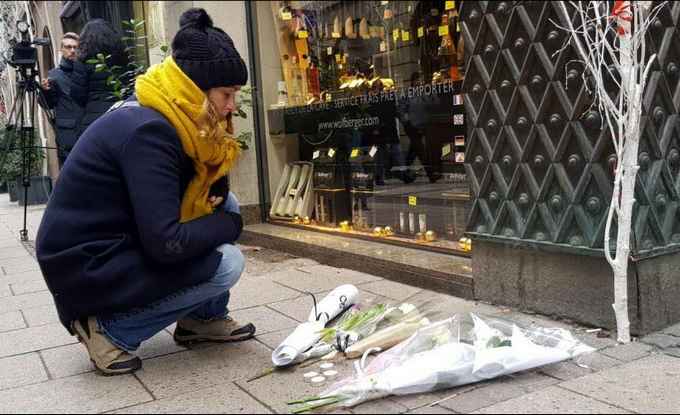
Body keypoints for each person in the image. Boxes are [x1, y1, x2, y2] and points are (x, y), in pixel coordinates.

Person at [35, 8, 255, 376]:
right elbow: (166, 242)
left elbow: (206, 194)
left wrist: (214, 172)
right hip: (85, 262)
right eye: (226, 94)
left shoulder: (176, 114)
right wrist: (232, 226)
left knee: (222, 204)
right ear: (194, 89)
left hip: (116, 238)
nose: (232, 106)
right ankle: (109, 331)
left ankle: (201, 319)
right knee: (228, 262)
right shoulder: (149, 132)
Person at [71, 19, 129, 139]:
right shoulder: (123, 58)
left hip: (94, 121)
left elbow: (77, 95)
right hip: (123, 114)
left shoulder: (83, 62)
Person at [40, 32, 84, 166]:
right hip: (67, 137)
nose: (72, 50)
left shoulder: (85, 71)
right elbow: (48, 105)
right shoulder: (54, 75)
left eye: (75, 47)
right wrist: (45, 91)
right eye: (68, 47)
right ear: (61, 49)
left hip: (87, 130)